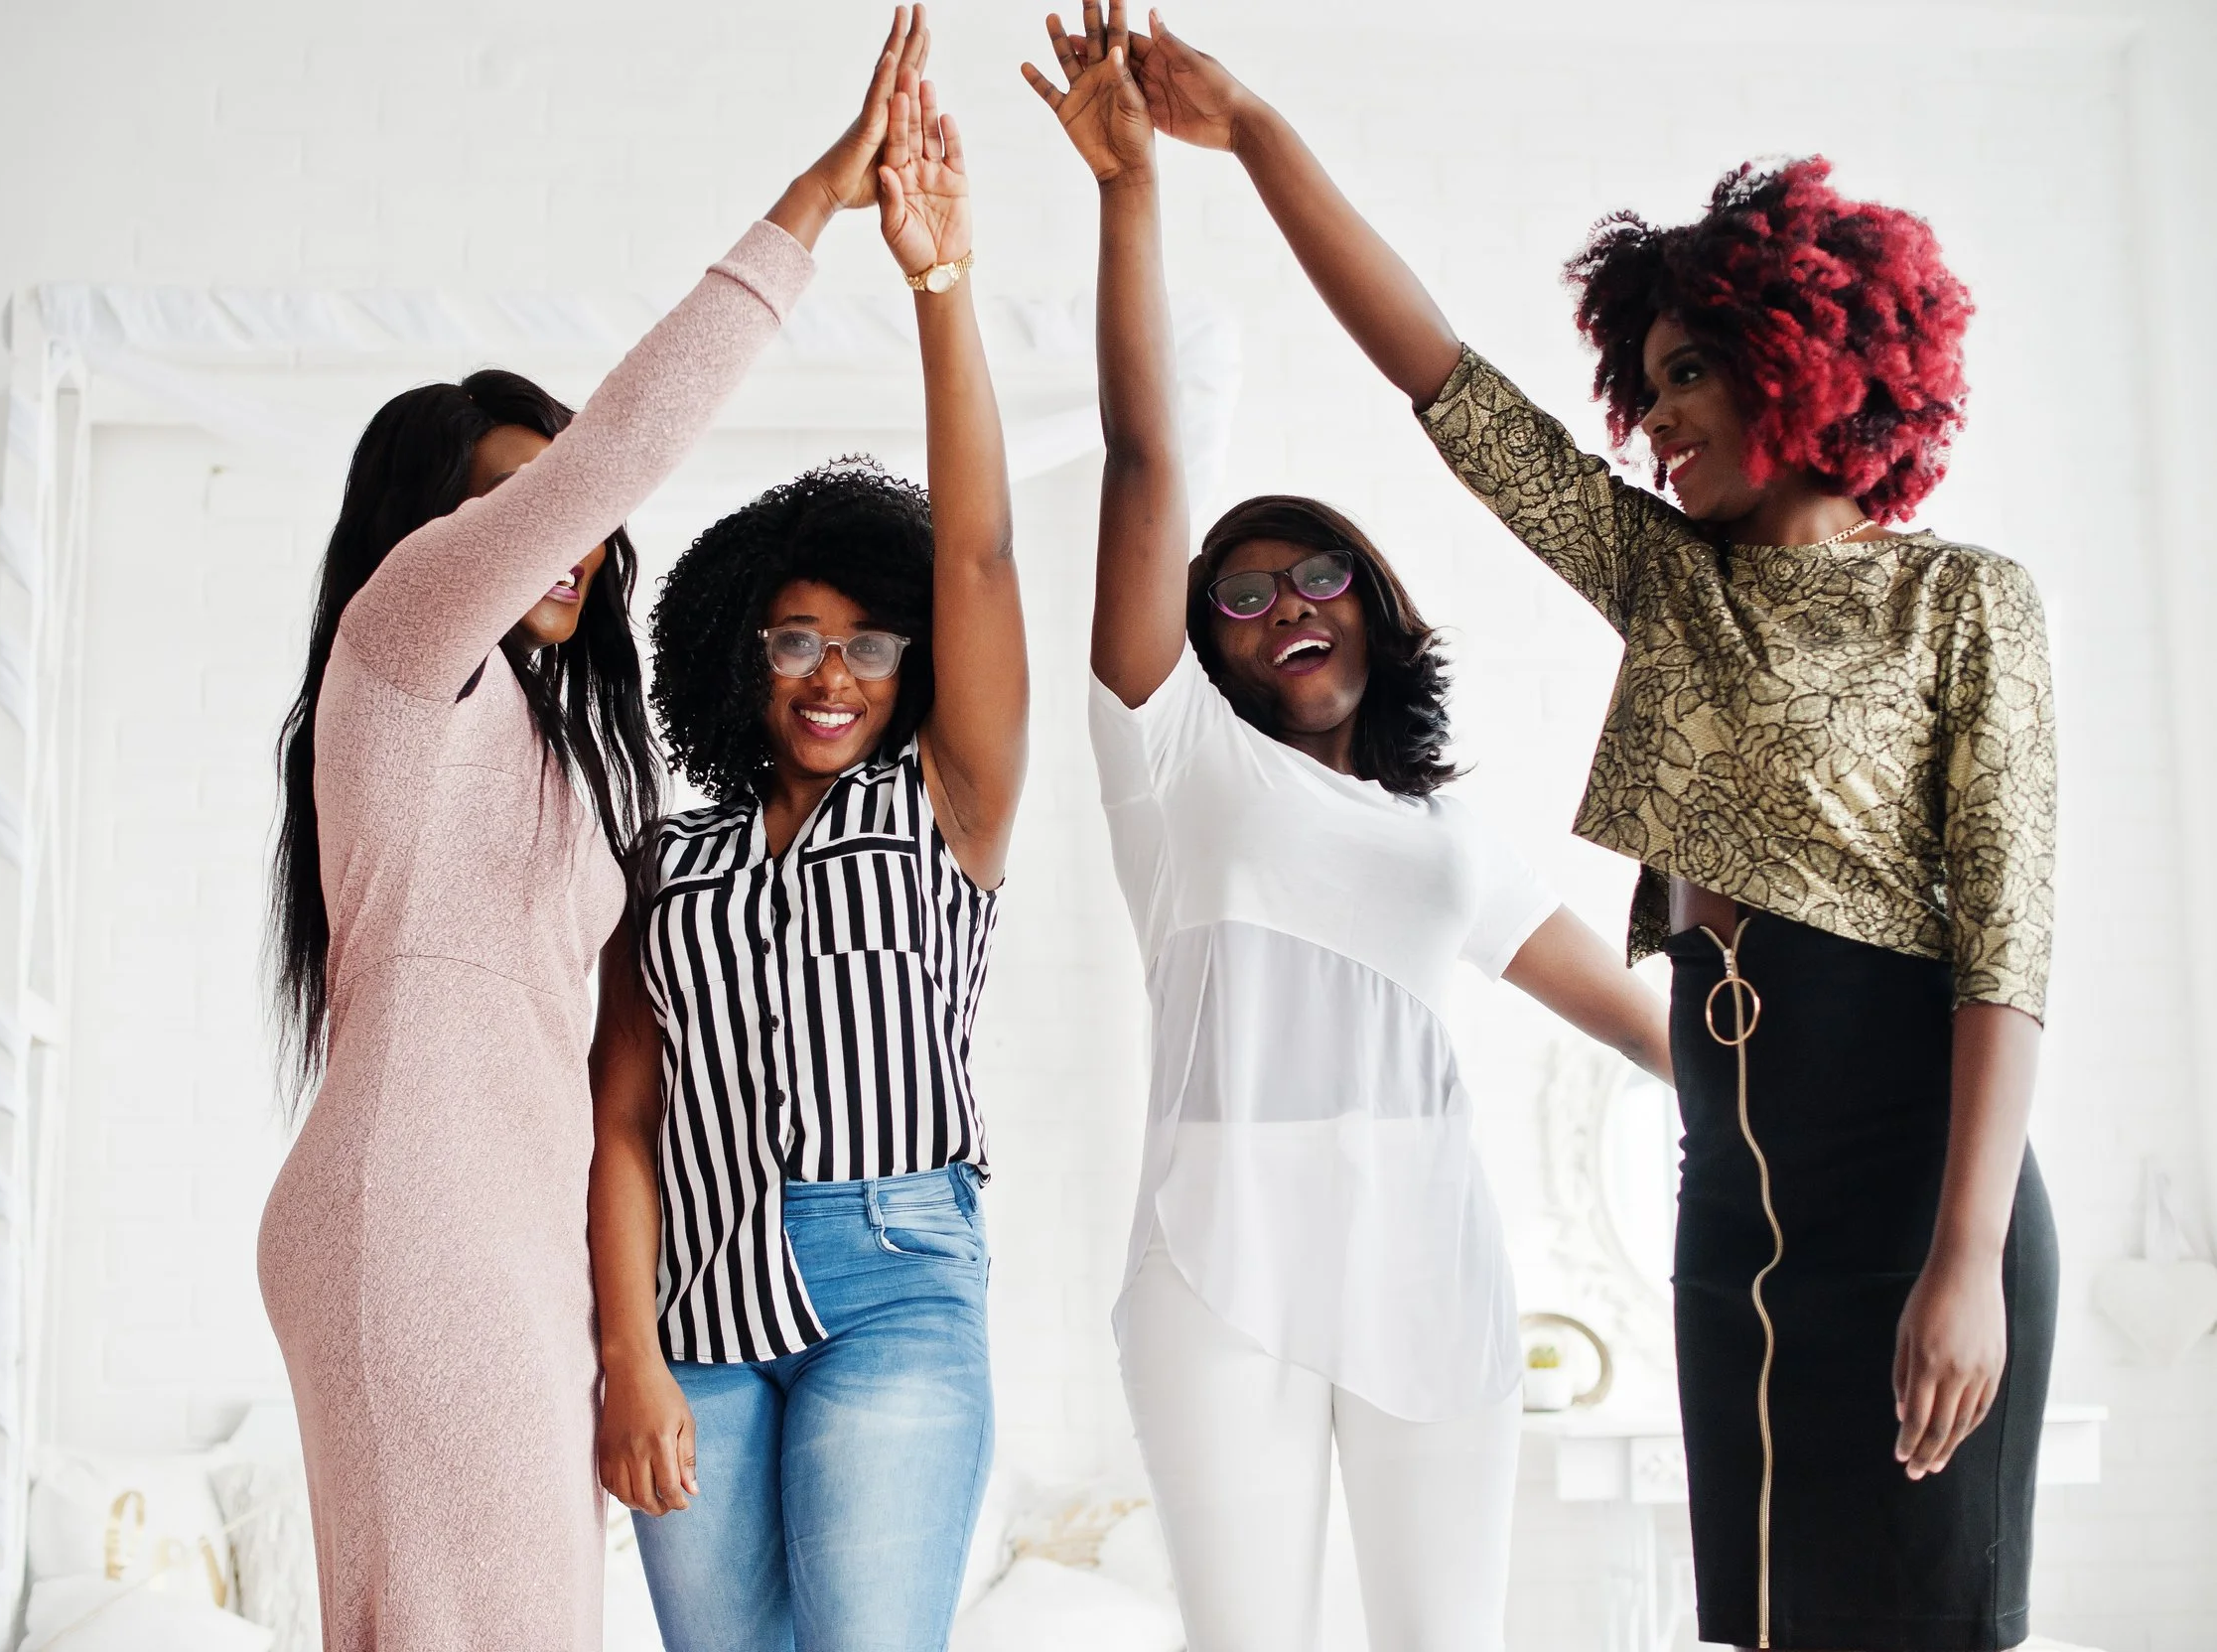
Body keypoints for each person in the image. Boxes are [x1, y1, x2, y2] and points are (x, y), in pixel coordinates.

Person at [1098, 12, 2059, 1649]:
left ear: (1807, 359)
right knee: (1756, 1623)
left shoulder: (1963, 599)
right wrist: (1250, 133)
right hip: (1729, 1190)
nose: (1655, 419)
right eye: (1649, 378)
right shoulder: (1669, 587)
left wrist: (1966, 1257)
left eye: (1692, 374)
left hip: (1911, 1169)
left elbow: (2007, 947)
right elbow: (1439, 377)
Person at [254, 14, 919, 1643]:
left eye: (564, 515)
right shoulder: (403, 650)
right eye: (511, 504)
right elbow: (623, 452)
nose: (566, 538)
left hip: (509, 1230)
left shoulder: (565, 759)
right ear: (428, 531)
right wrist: (816, 203)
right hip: (416, 1210)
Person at [1023, 9, 1673, 1649]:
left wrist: (1858, 1104)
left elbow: (1642, 1022)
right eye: (1238, 594)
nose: (1278, 605)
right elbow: (1145, 449)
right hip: (1217, 1259)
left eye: (1317, 576)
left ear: (1376, 613)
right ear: (1205, 643)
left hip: (1430, 1252)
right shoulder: (1172, 761)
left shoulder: (1443, 834)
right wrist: (1129, 191)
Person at [586, 15, 1027, 1650]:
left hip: (898, 1276)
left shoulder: (948, 808)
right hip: (691, 1300)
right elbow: (621, 1124)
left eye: (865, 640)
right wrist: (625, 1353)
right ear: (739, 661)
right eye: (790, 639)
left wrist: (940, 279)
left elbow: (977, 556)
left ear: (908, 660)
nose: (830, 672)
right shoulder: (670, 860)